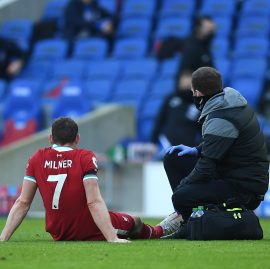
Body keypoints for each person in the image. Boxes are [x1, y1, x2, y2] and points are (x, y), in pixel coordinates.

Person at [0, 117, 182, 242]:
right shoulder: (84, 157)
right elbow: (94, 201)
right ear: (77, 139)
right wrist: (112, 238)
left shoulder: (37, 157)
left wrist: (3, 238)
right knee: (135, 221)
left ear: (50, 138)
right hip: (88, 227)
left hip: (58, 231)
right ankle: (160, 231)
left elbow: (23, 202)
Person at [162, 67, 269, 238]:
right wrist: (196, 150)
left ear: (197, 92)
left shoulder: (221, 116)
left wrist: (184, 187)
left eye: (192, 92)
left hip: (244, 187)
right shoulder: (227, 103)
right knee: (175, 158)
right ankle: (191, 219)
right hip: (235, 174)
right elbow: (224, 144)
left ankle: (193, 223)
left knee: (182, 197)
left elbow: (206, 168)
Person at [150, 72, 201, 176]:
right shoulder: (170, 98)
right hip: (166, 145)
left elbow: (202, 128)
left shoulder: (198, 102)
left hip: (188, 148)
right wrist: (153, 141)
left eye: (189, 79)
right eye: (184, 78)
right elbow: (160, 120)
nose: (186, 82)